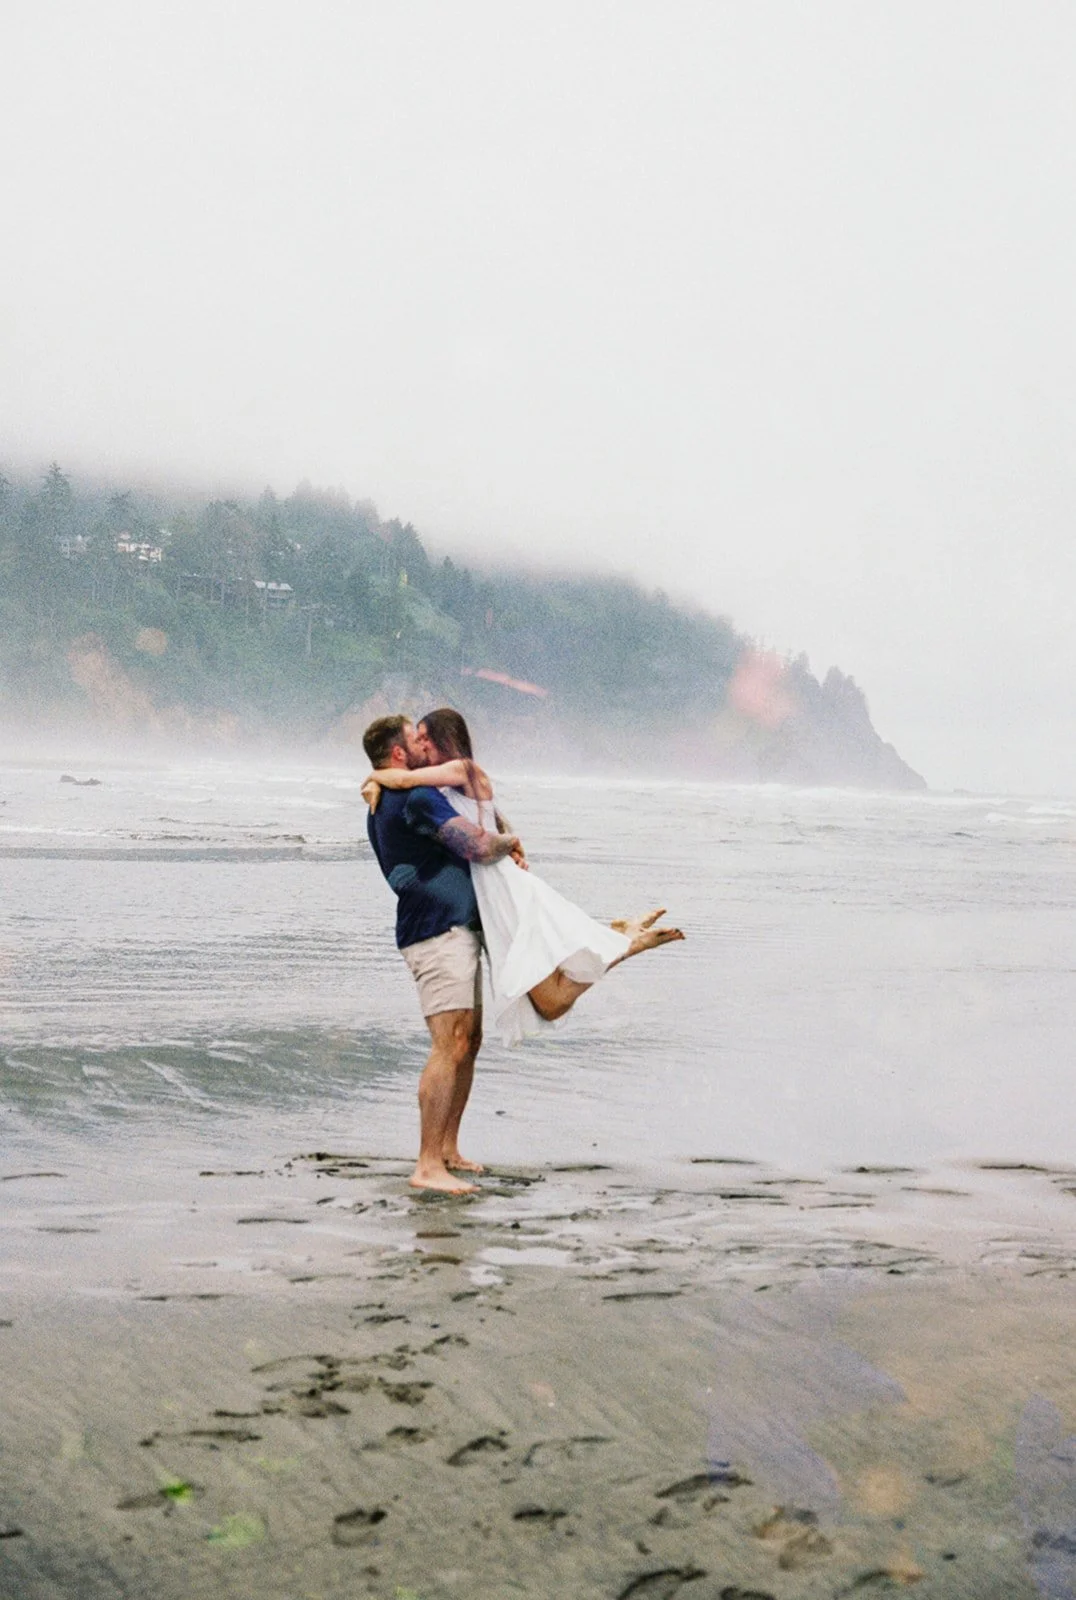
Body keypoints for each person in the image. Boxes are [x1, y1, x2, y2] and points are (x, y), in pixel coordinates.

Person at [363, 707, 683, 1049]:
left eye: (426, 737)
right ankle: (621, 936)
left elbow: (403, 780)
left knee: (551, 999)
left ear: (446, 739)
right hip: (489, 893)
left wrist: (372, 779)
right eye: (417, 738)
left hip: (500, 886)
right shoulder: (438, 787)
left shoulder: (463, 769)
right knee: (547, 999)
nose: (421, 744)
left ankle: (627, 941)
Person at [362, 713, 521, 1196]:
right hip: (434, 931)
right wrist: (511, 844)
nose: (424, 747)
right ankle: (428, 1163)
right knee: (448, 1043)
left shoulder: (396, 790)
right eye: (416, 740)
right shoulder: (411, 794)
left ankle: (449, 1149)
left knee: (467, 1041)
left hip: (453, 927)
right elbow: (475, 845)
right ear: (397, 755)